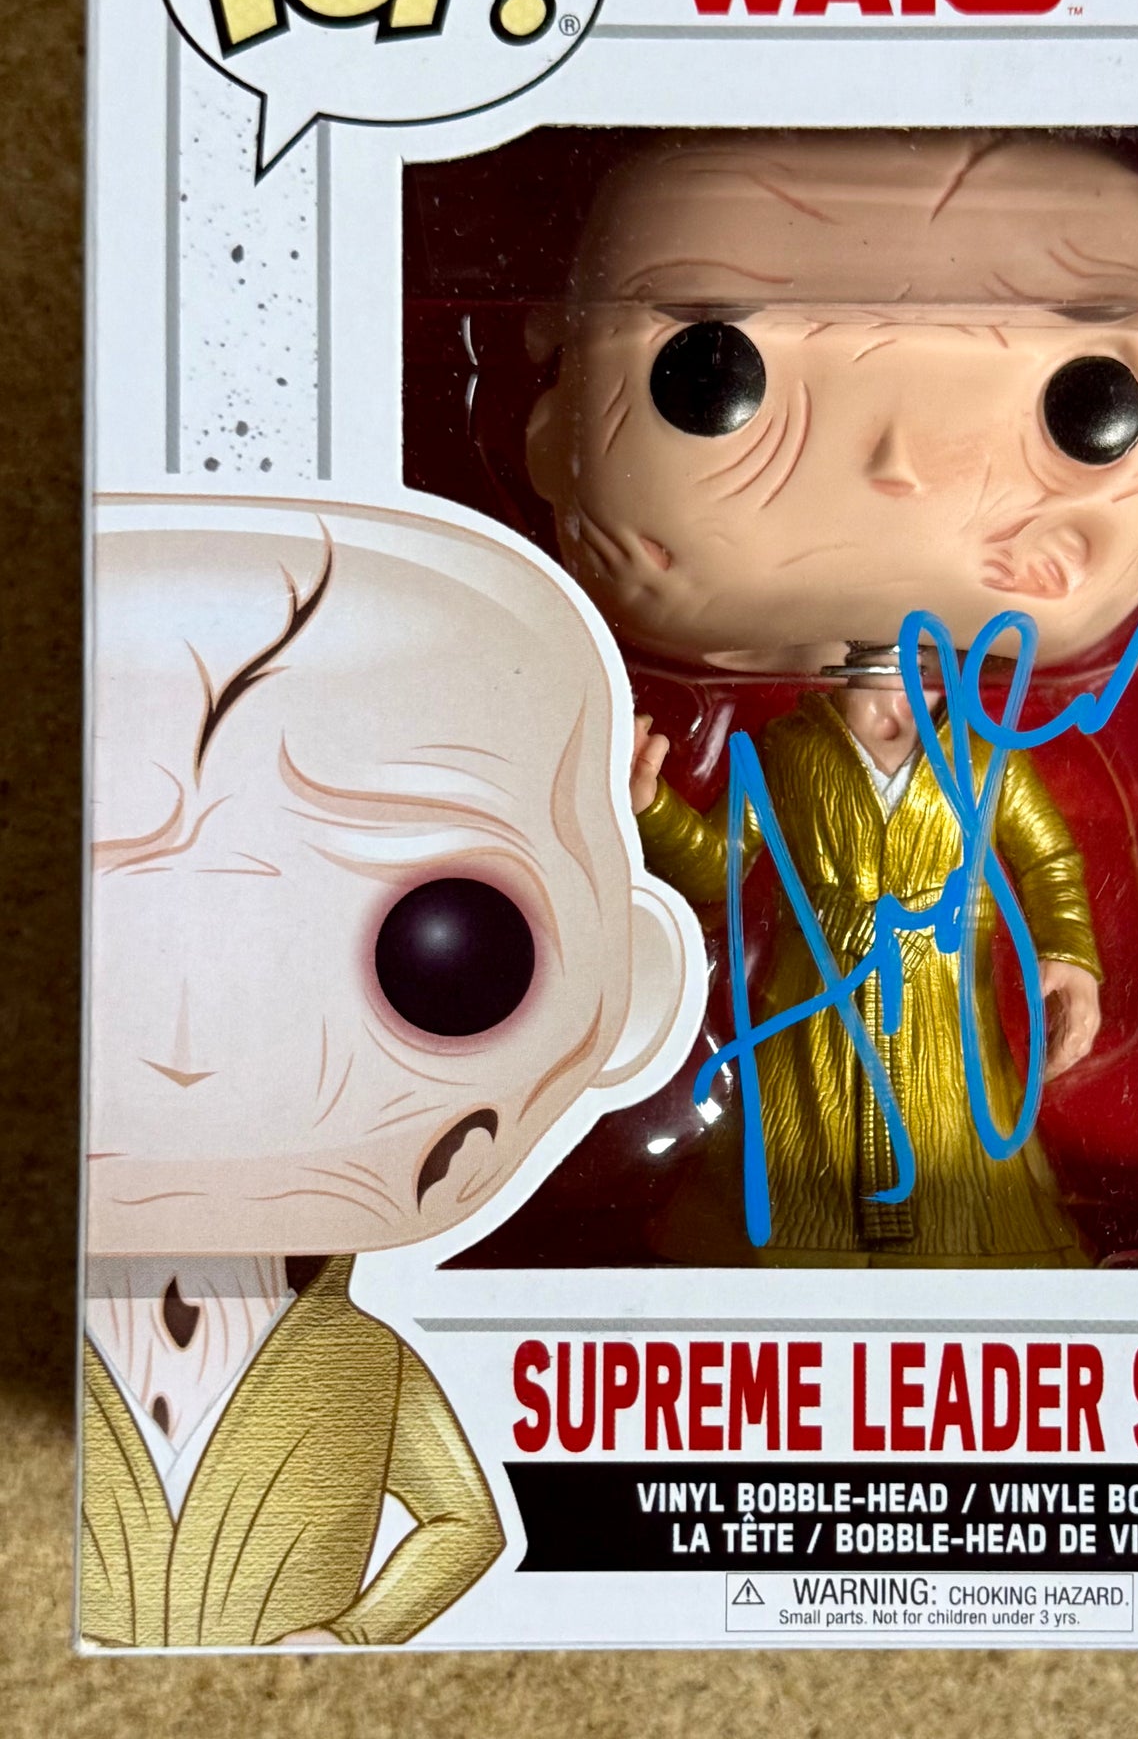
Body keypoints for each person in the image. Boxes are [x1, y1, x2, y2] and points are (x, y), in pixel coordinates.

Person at [525, 131, 1138, 1264]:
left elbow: (1045, 859)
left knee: (958, 1149)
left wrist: (1070, 958)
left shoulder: (981, 765)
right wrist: (646, 808)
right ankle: (783, 1250)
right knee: (796, 1150)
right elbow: (726, 868)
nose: (899, 463)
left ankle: (970, 1254)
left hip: (942, 1005)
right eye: (708, 372)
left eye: (1088, 398)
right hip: (819, 999)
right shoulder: (793, 759)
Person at [83, 496, 697, 1646]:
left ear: (630, 992)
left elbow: (466, 1522)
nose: (188, 1051)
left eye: (445, 955)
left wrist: (354, 1638)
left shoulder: (363, 1362)